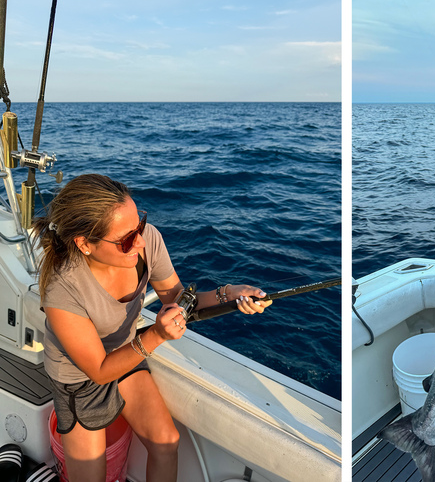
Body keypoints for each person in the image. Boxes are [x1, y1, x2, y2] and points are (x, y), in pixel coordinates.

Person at [34, 174, 272, 482]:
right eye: (127, 239)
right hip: (80, 379)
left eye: (140, 226)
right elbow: (100, 371)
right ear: (85, 244)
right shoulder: (62, 289)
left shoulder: (146, 244)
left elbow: (178, 300)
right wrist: (157, 334)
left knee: (166, 442)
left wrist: (231, 294)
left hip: (126, 353)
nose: (142, 241)